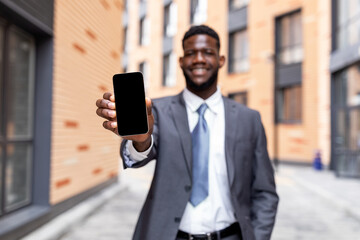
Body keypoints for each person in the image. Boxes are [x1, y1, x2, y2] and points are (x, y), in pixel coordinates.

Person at [96, 25, 278, 240]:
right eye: (191, 53)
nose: (199, 59)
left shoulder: (249, 119)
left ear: (221, 60)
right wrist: (142, 140)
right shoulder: (158, 111)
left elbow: (265, 191)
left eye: (207, 53)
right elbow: (138, 156)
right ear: (181, 62)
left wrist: (259, 237)